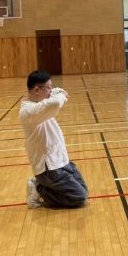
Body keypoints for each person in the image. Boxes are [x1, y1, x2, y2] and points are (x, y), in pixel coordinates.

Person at [20, 70, 88, 209]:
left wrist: (58, 91)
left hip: (61, 160)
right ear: (37, 90)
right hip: (49, 168)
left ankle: (41, 185)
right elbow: (56, 102)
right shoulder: (28, 111)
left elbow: (56, 92)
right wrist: (61, 94)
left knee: (83, 190)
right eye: (48, 88)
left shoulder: (41, 103)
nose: (51, 91)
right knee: (79, 198)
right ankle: (39, 190)